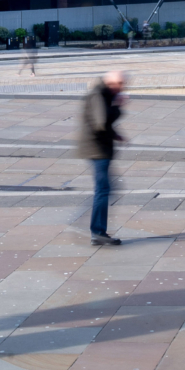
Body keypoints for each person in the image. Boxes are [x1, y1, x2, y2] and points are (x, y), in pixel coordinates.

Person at [76, 71, 127, 246]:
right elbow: (101, 122)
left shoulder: (103, 93)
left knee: (104, 189)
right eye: (120, 84)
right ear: (112, 83)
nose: (122, 88)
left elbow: (101, 121)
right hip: (97, 150)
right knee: (103, 190)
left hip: (98, 148)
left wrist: (115, 134)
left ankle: (98, 231)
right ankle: (97, 232)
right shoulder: (98, 95)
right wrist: (117, 107)